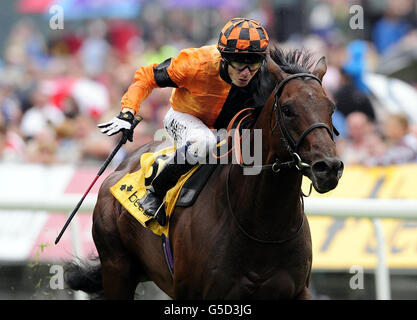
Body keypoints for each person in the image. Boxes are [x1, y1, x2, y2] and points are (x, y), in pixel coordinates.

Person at [98, 18, 273, 225]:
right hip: (185, 118)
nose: (246, 73)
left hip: (227, 127)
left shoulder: (264, 73)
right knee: (204, 142)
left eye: (253, 63)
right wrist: (128, 112)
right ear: (224, 57)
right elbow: (145, 76)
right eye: (239, 63)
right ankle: (155, 192)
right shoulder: (196, 63)